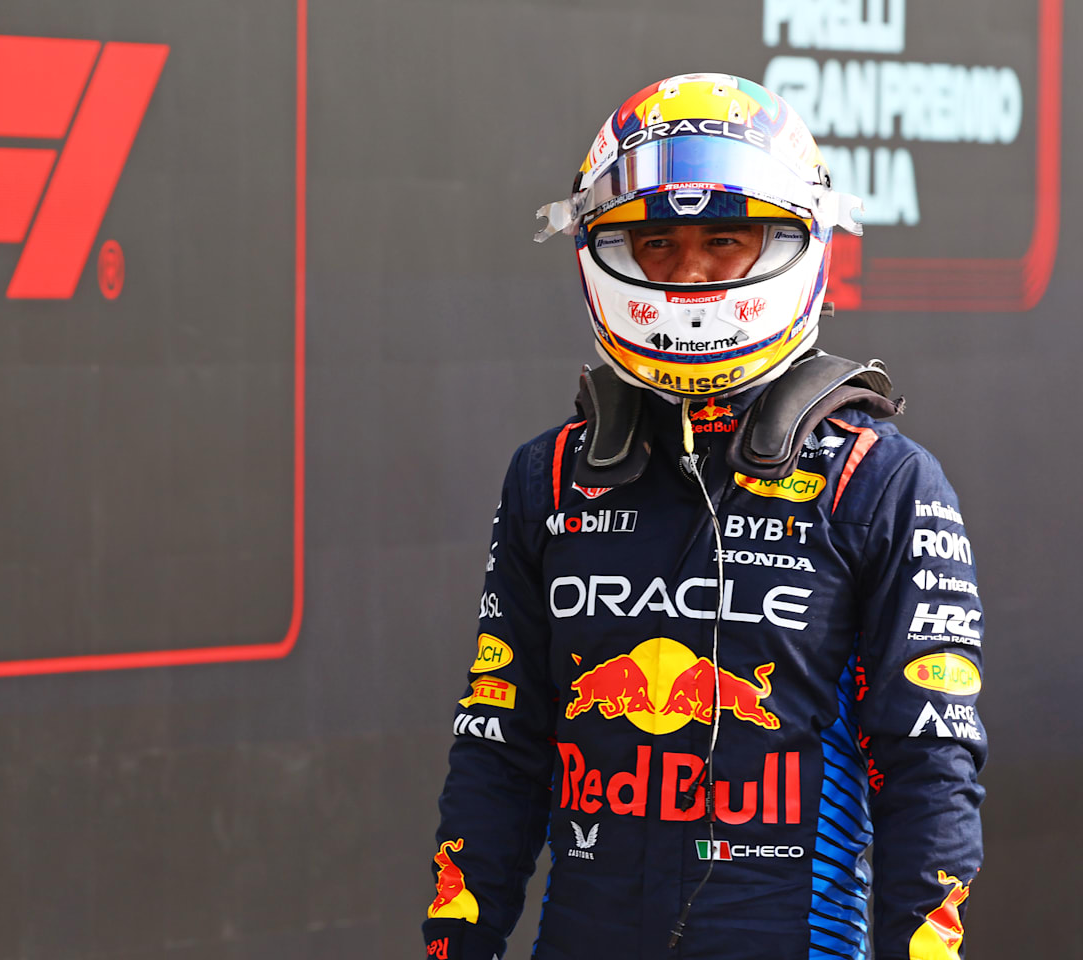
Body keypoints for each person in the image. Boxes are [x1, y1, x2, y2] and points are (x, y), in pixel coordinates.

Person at [422, 74, 985, 960]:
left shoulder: (882, 483)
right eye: (655, 243)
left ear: (795, 242)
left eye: (725, 240)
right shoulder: (551, 475)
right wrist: (456, 943)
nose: (687, 271)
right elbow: (502, 744)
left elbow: (928, 769)